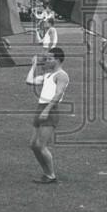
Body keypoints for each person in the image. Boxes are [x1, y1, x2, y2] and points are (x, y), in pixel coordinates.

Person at [26, 47, 69, 184]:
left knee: (41, 145)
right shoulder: (47, 75)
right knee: (33, 145)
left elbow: (59, 93)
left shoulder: (61, 75)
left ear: (57, 60)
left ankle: (51, 175)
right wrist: (33, 65)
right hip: (41, 107)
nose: (47, 61)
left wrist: (47, 110)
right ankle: (46, 173)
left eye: (50, 58)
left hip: (50, 109)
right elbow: (29, 81)